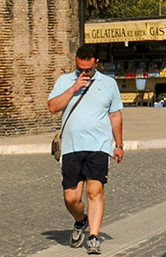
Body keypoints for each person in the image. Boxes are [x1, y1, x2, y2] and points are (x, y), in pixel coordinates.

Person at [49, 43, 126, 255]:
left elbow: (115, 115)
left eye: (88, 70)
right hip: (71, 147)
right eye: (80, 68)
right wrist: (74, 87)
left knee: (95, 191)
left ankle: (93, 236)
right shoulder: (65, 81)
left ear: (96, 63)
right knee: (71, 198)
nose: (84, 72)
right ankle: (80, 220)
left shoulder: (109, 84)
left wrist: (118, 144)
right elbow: (53, 107)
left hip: (98, 146)